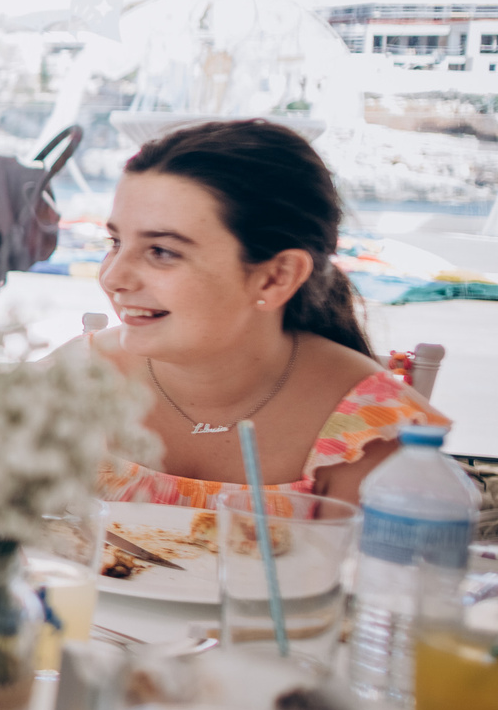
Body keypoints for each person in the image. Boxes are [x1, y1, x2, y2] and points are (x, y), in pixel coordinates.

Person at [76, 119, 443, 503]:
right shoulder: (73, 380)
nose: (113, 277)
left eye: (163, 251)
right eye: (115, 241)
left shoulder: (370, 433)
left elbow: (375, 565)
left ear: (276, 277)